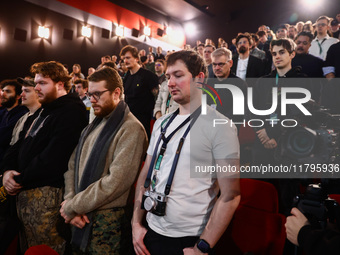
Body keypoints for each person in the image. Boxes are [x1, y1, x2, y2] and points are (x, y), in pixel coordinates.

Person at [132, 50, 240, 255]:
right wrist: (136, 223)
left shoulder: (221, 126)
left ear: (199, 78)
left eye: (178, 75)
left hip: (188, 240)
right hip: (150, 231)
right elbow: (145, 173)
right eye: (168, 76)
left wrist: (202, 246)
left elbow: (230, 195)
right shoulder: (161, 123)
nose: (170, 82)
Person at [1, 61, 88, 254]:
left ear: (60, 84)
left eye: (42, 83)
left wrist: (18, 179)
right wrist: (7, 171)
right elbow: (18, 145)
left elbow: (54, 159)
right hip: (24, 194)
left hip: (47, 199)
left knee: (46, 248)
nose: (37, 88)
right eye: (36, 83)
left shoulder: (72, 110)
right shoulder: (44, 109)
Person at [60, 67, 147, 254]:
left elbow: (116, 182)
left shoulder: (131, 128)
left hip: (106, 223)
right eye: (90, 94)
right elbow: (72, 166)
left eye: (97, 94)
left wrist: (73, 206)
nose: (91, 100)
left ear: (117, 93)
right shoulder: (92, 126)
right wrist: (70, 201)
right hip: (80, 214)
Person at [120, 45, 159, 139]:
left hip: (144, 123)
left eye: (128, 58)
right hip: (129, 120)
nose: (125, 61)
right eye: (124, 58)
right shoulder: (126, 77)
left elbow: (157, 98)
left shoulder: (149, 76)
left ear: (137, 58)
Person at [0, 79, 28, 162]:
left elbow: (2, 137)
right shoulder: (3, 112)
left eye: (8, 92)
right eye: (3, 91)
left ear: (18, 96)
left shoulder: (21, 114)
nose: (3, 94)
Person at [10, 78, 41, 146]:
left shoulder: (45, 118)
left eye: (27, 91)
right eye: (22, 91)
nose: (22, 94)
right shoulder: (21, 119)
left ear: (38, 93)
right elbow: (13, 145)